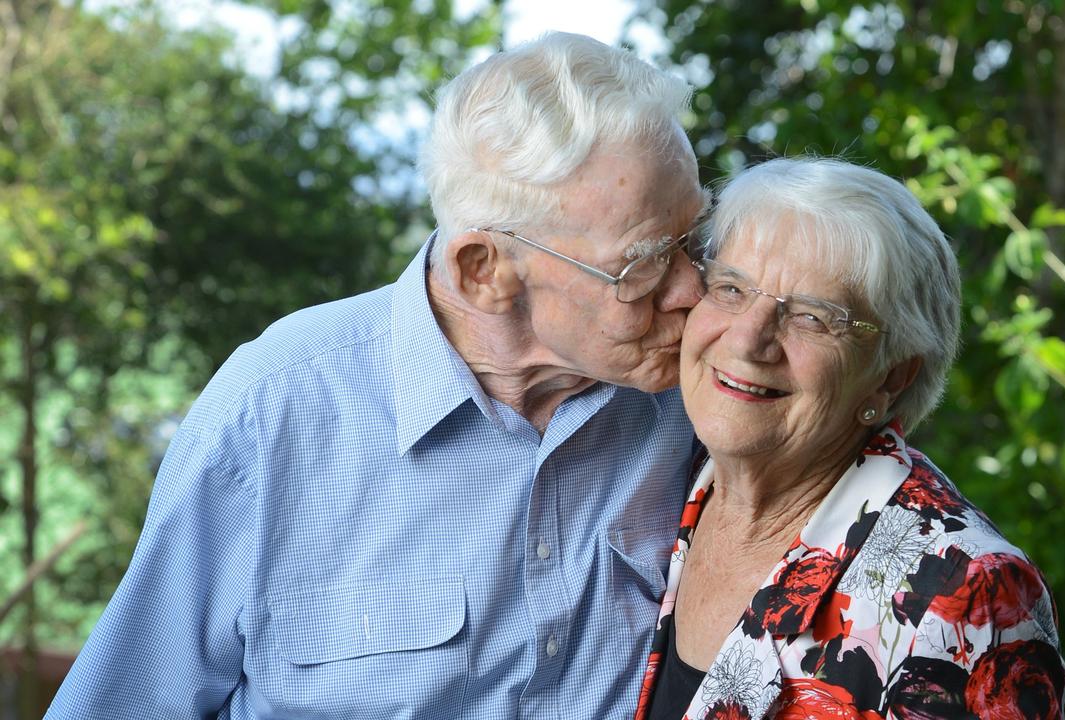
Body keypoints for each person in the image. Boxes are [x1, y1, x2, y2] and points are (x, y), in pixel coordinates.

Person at [48, 32, 707, 719]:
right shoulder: (276, 411)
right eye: (646, 264)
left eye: (697, 241)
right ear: (483, 271)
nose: (692, 289)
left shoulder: (700, 397)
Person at [635, 157, 1065, 719]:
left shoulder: (966, 593)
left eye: (814, 318)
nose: (748, 340)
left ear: (892, 377)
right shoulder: (674, 481)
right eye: (729, 288)